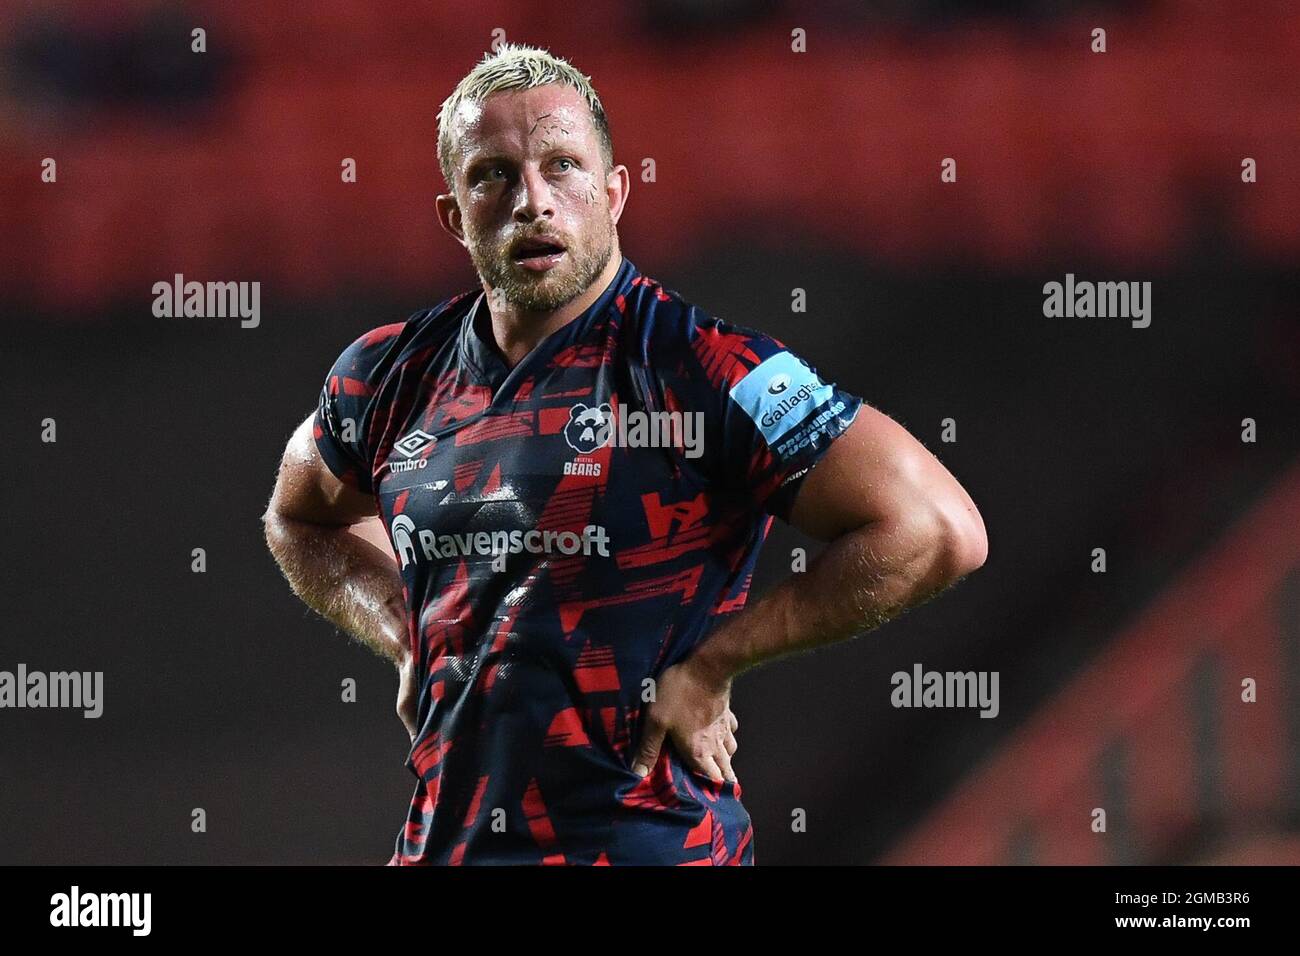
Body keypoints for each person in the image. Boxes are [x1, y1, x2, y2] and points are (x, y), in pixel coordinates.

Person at [262, 43, 987, 865]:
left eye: (562, 166)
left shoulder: (703, 367)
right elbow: (298, 517)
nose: (532, 201)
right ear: (453, 215)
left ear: (614, 194)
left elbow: (935, 528)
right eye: (492, 175)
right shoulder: (388, 374)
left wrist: (718, 662)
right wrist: (403, 632)